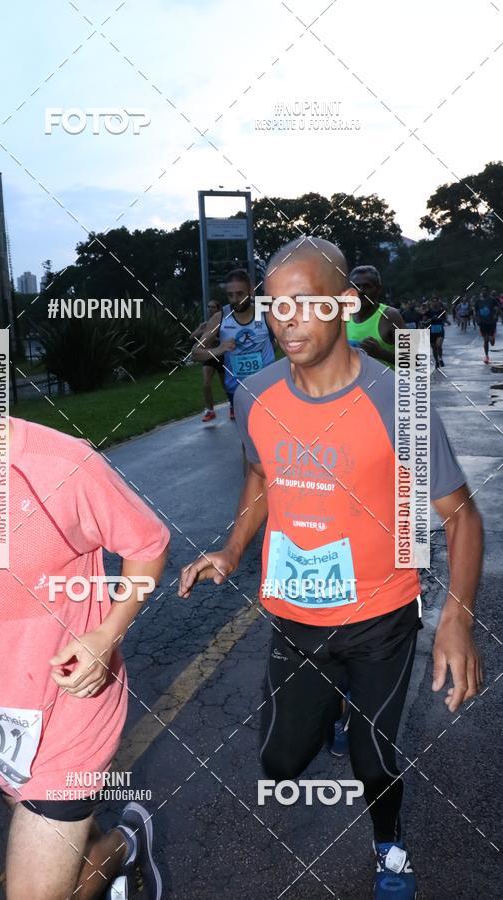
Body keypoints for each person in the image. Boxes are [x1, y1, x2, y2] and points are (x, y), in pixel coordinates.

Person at [179, 237, 483, 900]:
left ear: (346, 303)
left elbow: (460, 517)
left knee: (375, 758)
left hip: (382, 614)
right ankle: (339, 704)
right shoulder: (253, 395)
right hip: (295, 615)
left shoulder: (394, 400)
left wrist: (457, 620)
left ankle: (391, 845)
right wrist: (233, 548)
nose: (287, 318)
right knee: (281, 761)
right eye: (275, 305)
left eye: (306, 302)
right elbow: (260, 473)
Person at [0, 295, 169, 900]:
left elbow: (148, 545)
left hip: (75, 711)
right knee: (67, 865)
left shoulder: (58, 467)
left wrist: (107, 633)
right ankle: (125, 845)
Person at [192, 269, 275, 421]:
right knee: (247, 439)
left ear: (251, 291)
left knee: (268, 436)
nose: (235, 299)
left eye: (240, 294)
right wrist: (219, 349)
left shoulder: (265, 313)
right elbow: (196, 352)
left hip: (267, 388)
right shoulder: (221, 318)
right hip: (237, 390)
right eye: (230, 295)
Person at [345, 266, 405, 368]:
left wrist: (381, 353)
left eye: (367, 286)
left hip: (387, 383)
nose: (360, 291)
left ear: (378, 289)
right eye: (356, 286)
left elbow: (416, 361)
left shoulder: (391, 315)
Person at [189, 299, 224, 423]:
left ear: (218, 309)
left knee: (226, 385)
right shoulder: (206, 324)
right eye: (208, 307)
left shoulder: (223, 322)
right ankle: (210, 411)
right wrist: (200, 328)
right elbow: (191, 337)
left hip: (220, 356)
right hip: (208, 356)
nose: (210, 309)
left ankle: (233, 407)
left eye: (213, 307)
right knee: (206, 384)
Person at [420, 296, 449, 368]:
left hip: (440, 330)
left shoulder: (442, 311)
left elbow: (445, 317)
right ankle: (436, 361)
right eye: (433, 301)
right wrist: (427, 321)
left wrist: (445, 321)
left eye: (436, 301)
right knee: (434, 348)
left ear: (439, 302)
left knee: (438, 345)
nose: (435, 303)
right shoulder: (428, 312)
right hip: (431, 331)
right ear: (431, 303)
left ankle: (440, 358)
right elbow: (423, 321)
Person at [473, 286, 500, 364]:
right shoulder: (478, 302)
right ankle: (486, 356)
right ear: (481, 292)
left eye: (485, 290)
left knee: (491, 342)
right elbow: (475, 310)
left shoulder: (492, 300)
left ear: (487, 292)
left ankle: (493, 337)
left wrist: (495, 314)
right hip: (482, 322)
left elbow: (497, 308)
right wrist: (476, 317)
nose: (484, 292)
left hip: (491, 322)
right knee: (485, 340)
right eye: (482, 290)